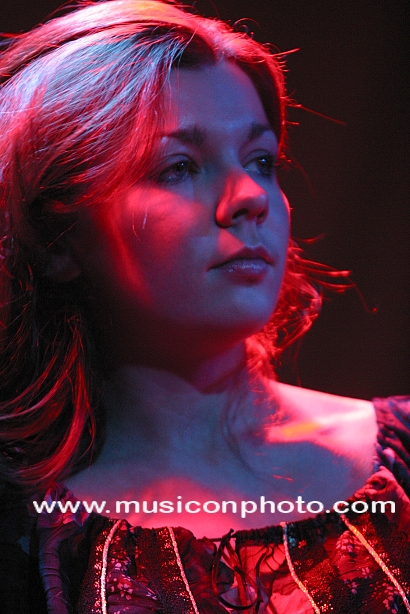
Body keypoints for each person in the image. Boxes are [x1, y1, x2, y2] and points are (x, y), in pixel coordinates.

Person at [0, 1, 409, 612]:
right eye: (179, 167)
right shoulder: (24, 532)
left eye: (261, 160)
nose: (250, 197)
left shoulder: (402, 458)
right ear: (58, 240)